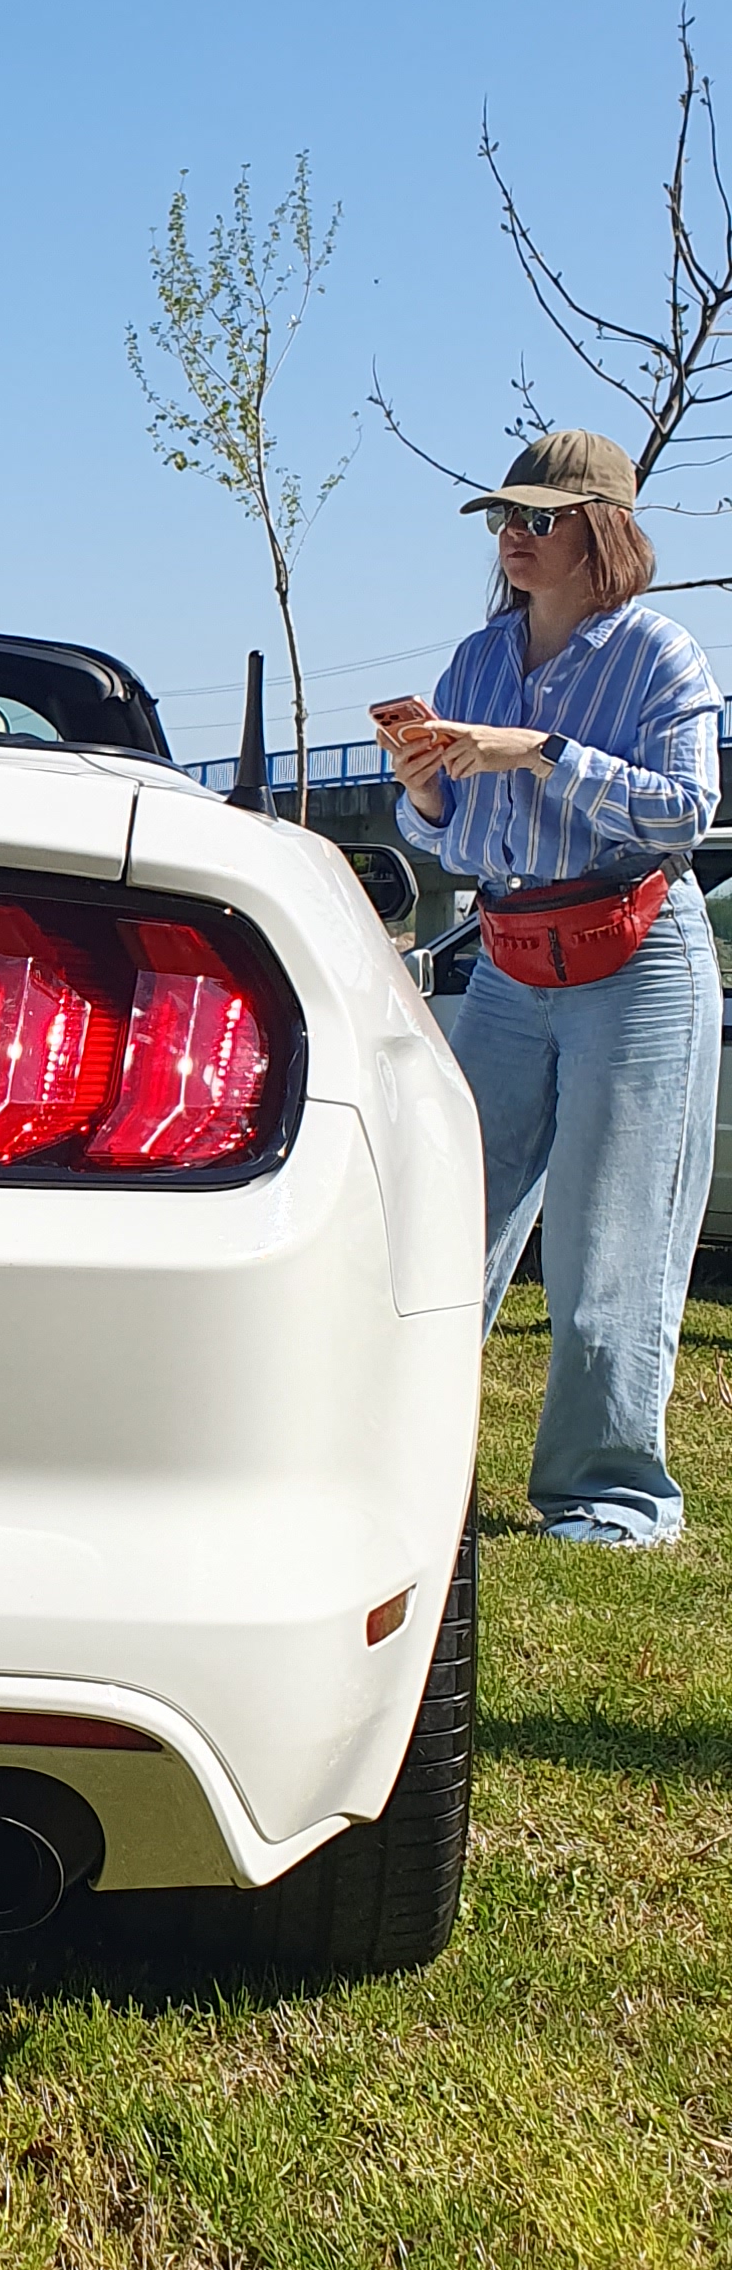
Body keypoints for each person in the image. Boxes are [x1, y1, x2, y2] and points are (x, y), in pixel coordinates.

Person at [376, 427, 723, 1543]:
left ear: (603, 532)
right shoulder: (477, 659)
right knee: (452, 1215)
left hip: (639, 955)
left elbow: (688, 812)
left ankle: (609, 1495)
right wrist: (425, 791)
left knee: (612, 1235)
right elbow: (446, 837)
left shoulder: (662, 654)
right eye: (504, 517)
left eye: (539, 518)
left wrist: (542, 751)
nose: (512, 536)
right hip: (511, 957)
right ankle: (402, 1465)